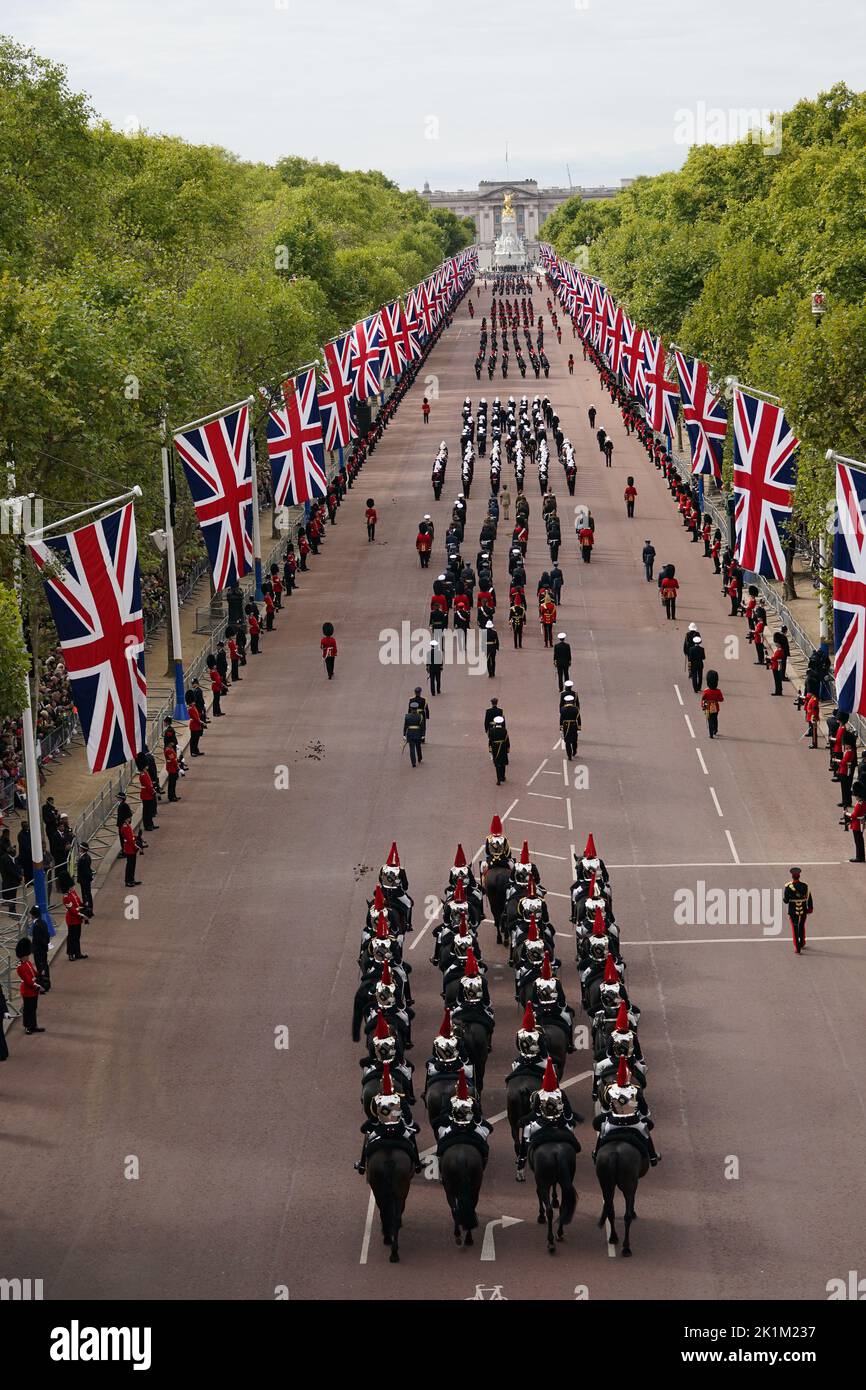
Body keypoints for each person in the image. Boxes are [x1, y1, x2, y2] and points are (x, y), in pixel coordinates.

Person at [16, 936, 44, 1034]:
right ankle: (27, 1026)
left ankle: (33, 1025)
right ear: (22, 955)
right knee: (28, 1010)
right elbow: (27, 980)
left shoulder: (27, 962)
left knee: (33, 1008)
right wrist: (37, 986)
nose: (28, 956)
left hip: (33, 990)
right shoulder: (20, 967)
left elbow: (33, 973)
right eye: (27, 954)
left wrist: (40, 974)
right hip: (28, 991)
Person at [782, 868, 812, 954]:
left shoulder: (788, 887)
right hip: (803, 909)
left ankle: (797, 947)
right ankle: (802, 942)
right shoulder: (805, 885)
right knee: (802, 925)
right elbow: (809, 897)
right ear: (799, 876)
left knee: (794, 927)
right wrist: (810, 908)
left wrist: (784, 898)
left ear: (792, 877)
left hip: (793, 910)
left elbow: (786, 900)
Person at [63, 886, 89, 961]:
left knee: (77, 937)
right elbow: (71, 910)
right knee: (71, 937)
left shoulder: (73, 892)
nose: (73, 887)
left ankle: (77, 953)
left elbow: (78, 902)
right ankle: (70, 954)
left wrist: (84, 905)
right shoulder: (66, 897)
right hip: (72, 919)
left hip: (77, 919)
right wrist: (82, 915)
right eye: (71, 886)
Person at [30, 906, 51, 991]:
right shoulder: (43, 922)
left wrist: (34, 949)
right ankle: (47, 983)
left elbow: (38, 940)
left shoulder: (37, 925)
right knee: (44, 966)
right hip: (43, 949)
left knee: (41, 967)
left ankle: (43, 985)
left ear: (33, 915)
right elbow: (47, 936)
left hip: (39, 950)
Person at [701, 670, 724, 739]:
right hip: (716, 707)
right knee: (715, 718)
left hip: (708, 707)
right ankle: (715, 730)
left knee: (709, 720)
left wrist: (703, 707)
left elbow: (703, 700)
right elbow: (721, 699)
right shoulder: (718, 691)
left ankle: (711, 734)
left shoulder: (706, 691)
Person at [488, 715, 510, 785]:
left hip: (495, 748)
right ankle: (503, 776)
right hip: (502, 747)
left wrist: (490, 748)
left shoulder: (491, 731)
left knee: (497, 764)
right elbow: (507, 740)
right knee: (503, 763)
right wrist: (507, 748)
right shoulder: (504, 730)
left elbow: (490, 741)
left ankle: (498, 779)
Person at [403, 702, 424, 768]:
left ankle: (413, 763)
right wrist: (423, 735)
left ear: (411, 709)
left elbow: (405, 726)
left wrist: (404, 734)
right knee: (418, 747)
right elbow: (422, 726)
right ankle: (419, 757)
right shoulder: (420, 716)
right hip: (418, 734)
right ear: (417, 708)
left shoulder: (407, 716)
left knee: (412, 749)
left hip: (410, 734)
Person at [120, 820, 141, 886]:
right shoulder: (125, 826)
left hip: (131, 848)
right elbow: (129, 839)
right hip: (130, 848)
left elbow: (131, 836)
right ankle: (128, 881)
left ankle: (132, 879)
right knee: (130, 865)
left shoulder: (127, 825)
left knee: (132, 865)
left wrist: (136, 837)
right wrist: (135, 847)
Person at [77, 841, 94, 914]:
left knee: (86, 894)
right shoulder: (84, 857)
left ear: (83, 849)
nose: (79, 848)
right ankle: (87, 908)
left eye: (80, 847)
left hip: (84, 879)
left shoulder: (84, 858)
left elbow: (85, 870)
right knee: (85, 894)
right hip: (84, 879)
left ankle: (88, 909)